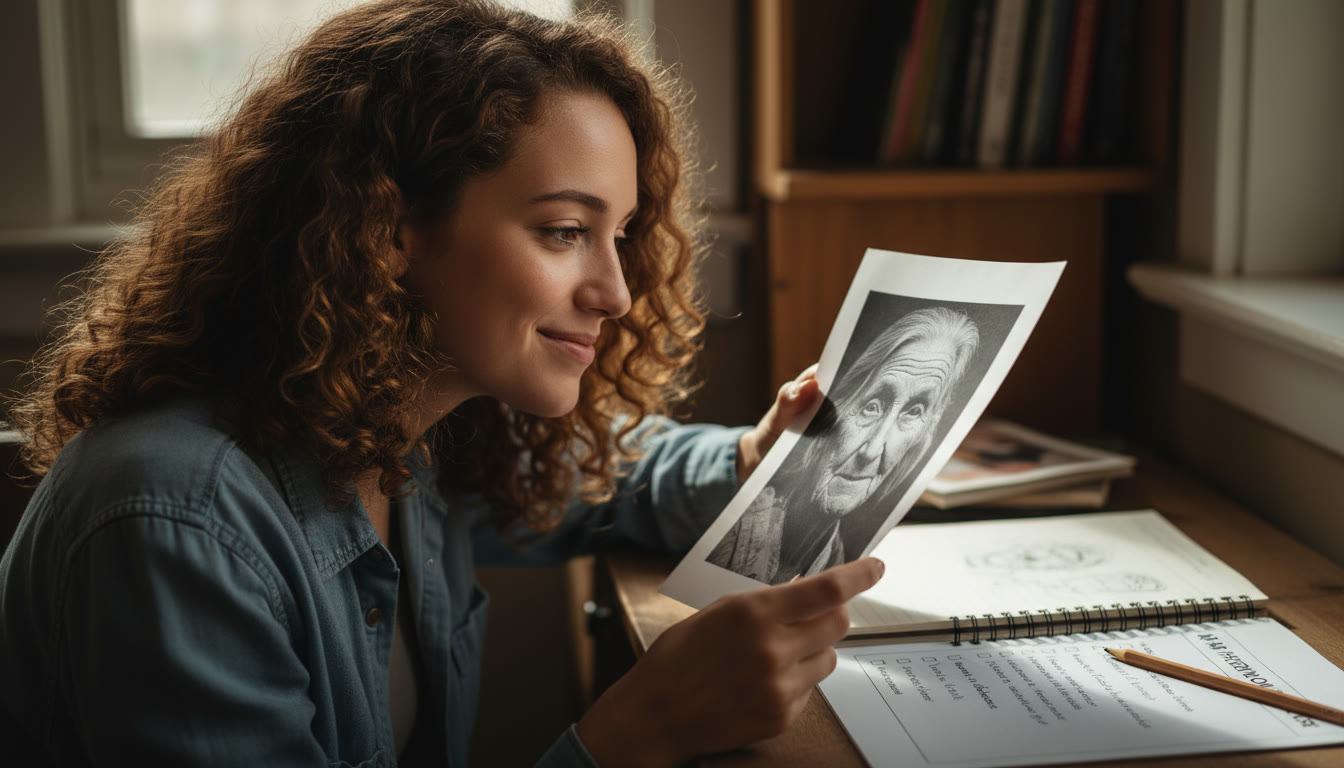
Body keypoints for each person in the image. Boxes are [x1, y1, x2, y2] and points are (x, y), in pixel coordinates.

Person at [0, 1, 884, 766]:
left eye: (620, 234)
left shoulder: (401, 427)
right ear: (389, 229)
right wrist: (638, 733)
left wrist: (749, 455)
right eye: (564, 230)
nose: (615, 292)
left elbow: (600, 480)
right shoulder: (176, 521)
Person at [708, 307, 979, 584]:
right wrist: (750, 455)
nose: (872, 452)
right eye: (871, 407)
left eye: (913, 411)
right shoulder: (735, 540)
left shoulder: (834, 559)